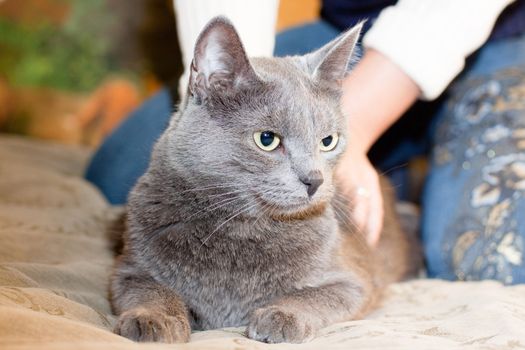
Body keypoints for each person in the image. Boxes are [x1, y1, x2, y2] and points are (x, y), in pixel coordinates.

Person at [85, 0, 525, 284]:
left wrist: (361, 123)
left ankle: (406, 196)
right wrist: (244, 92)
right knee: (120, 176)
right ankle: (405, 182)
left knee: (493, 260)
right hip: (346, 32)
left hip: (493, 37)